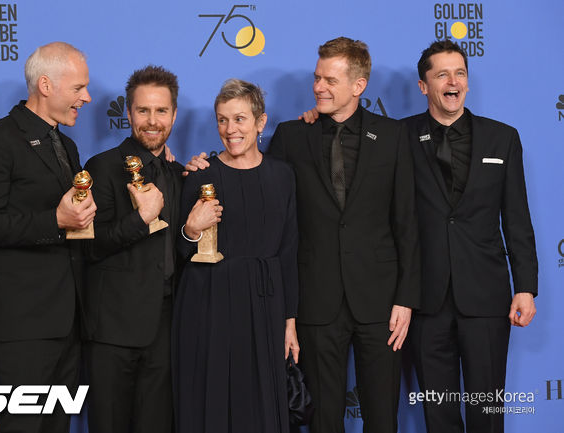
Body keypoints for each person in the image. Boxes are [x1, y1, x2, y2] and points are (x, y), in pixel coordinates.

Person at [186, 37, 420, 433]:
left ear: (358, 86)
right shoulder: (293, 135)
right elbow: (258, 185)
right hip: (316, 300)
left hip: (380, 302)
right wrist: (202, 165)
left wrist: (406, 298)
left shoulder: (394, 137)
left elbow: (408, 222)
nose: (318, 87)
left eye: (330, 80)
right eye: (317, 78)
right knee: (323, 417)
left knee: (383, 415)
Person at [403, 39, 538, 433]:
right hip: (425, 299)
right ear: (423, 86)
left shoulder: (502, 139)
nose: (453, 81)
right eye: (441, 73)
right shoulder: (398, 138)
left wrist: (525, 286)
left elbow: (517, 218)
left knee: (487, 411)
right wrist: (315, 116)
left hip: (486, 297)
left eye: (460, 73)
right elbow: (347, 132)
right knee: (438, 414)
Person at [0, 41, 95, 433]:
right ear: (46, 85)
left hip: (67, 322)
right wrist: (55, 219)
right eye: (78, 89)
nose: (87, 97)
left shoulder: (67, 145)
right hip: (20, 327)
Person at [173, 79, 300, 433]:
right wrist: (192, 229)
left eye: (240, 119)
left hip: (264, 302)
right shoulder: (201, 175)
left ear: (260, 122)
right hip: (208, 301)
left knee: (259, 404)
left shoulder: (283, 176)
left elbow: (289, 251)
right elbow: (181, 251)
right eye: (223, 120)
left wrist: (290, 321)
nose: (231, 130)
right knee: (210, 399)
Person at [82, 65, 182, 433]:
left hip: (166, 330)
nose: (152, 121)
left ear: (174, 114)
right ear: (128, 114)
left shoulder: (179, 174)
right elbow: (89, 247)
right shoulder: (102, 168)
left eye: (161, 111)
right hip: (112, 333)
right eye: (143, 111)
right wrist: (140, 220)